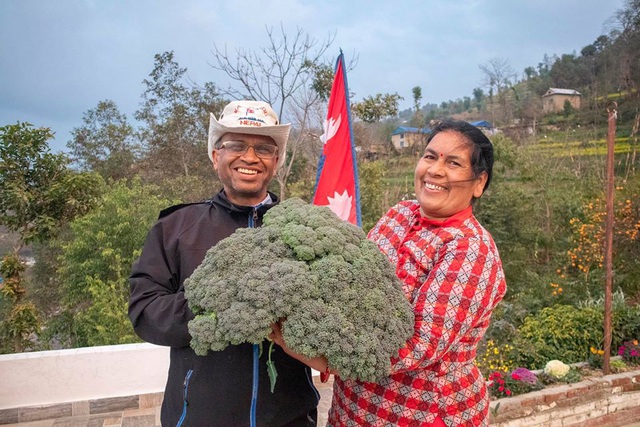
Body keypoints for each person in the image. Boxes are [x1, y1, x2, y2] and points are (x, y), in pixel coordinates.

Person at [128, 100, 320, 427]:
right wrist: (224, 302)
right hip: (199, 418)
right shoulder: (175, 228)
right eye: (235, 145)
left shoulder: (308, 231)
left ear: (276, 161)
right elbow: (145, 312)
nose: (249, 157)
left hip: (290, 417)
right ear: (216, 155)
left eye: (263, 148)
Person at [326, 120, 507, 426]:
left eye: (453, 163)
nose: (435, 170)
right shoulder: (400, 213)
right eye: (430, 156)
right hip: (352, 408)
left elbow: (418, 345)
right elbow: (353, 280)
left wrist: (322, 353)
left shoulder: (471, 249)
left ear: (478, 182)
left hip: (423, 411)